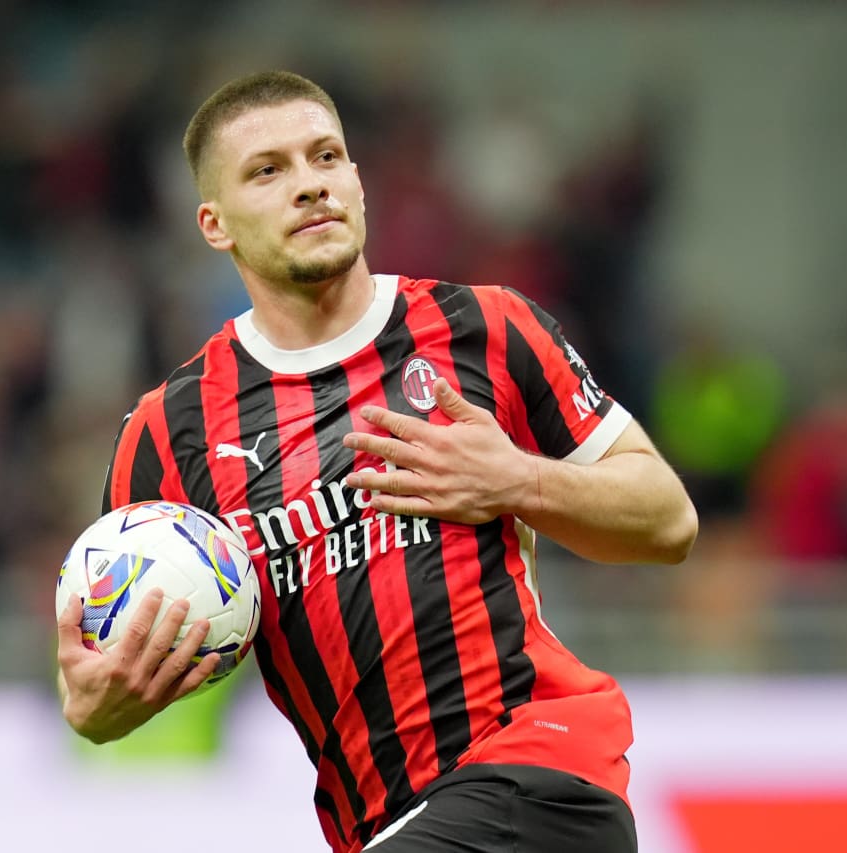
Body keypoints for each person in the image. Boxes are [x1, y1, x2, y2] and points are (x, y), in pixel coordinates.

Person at [55, 70, 698, 853]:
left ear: (358, 182)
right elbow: (101, 667)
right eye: (268, 170)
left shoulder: (486, 327)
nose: (310, 184)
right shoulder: (169, 431)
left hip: (537, 776)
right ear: (214, 224)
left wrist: (518, 479)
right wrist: (95, 707)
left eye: (325, 157)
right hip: (384, 823)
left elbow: (669, 519)